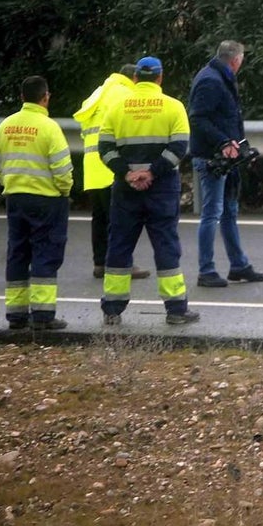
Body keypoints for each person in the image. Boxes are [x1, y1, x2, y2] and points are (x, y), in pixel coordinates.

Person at [98, 55, 198, 325]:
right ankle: (176, 309)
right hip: (162, 187)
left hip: (125, 188)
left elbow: (105, 149)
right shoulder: (173, 107)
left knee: (119, 245)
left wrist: (127, 173)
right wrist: (152, 172)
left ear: (135, 78)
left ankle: (112, 309)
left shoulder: (116, 107)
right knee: (166, 244)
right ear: (160, 77)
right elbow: (179, 149)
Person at [0, 76, 73, 331]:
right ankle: (42, 315)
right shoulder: (49, 127)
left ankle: (16, 315)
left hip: (15, 198)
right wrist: (64, 191)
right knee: (45, 252)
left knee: (18, 252)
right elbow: (62, 169)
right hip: (47, 199)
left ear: (21, 97)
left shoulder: (5, 126)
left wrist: (11, 183)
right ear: (46, 97)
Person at [189, 40, 263, 288]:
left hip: (227, 157)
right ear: (236, 60)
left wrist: (238, 147)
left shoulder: (220, 76)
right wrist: (223, 143)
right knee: (212, 214)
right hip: (214, 158)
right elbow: (198, 118)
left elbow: (225, 118)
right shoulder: (212, 81)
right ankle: (206, 270)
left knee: (229, 212)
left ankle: (238, 265)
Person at [73, 64, 150, 281]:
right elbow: (128, 128)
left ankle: (100, 263)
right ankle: (121, 264)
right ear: (134, 77)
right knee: (119, 217)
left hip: (92, 164)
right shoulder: (125, 93)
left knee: (99, 216)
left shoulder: (100, 91)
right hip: (110, 165)